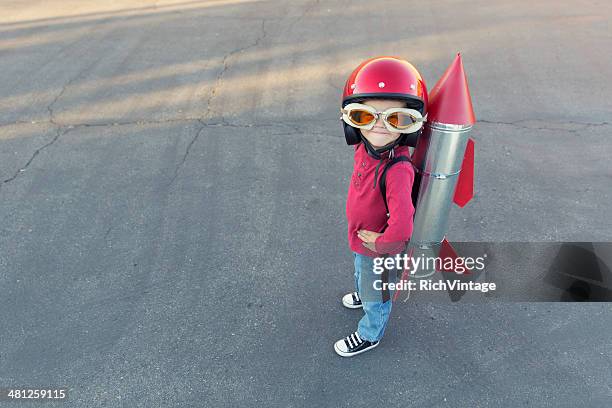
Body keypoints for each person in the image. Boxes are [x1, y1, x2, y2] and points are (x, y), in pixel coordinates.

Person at [334, 56, 428, 357]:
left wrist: (383, 244)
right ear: (350, 122)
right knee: (361, 276)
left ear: (412, 126)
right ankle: (363, 294)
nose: (379, 127)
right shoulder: (365, 148)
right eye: (364, 117)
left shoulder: (398, 169)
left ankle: (370, 333)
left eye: (397, 119)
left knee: (378, 294)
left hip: (379, 248)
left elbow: (402, 225)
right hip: (360, 239)